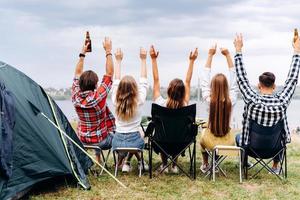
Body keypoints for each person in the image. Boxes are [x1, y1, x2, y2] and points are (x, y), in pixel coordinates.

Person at [234, 33, 300, 174]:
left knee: (238, 137)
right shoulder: (282, 102)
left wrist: (238, 50)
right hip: (274, 148)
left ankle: (244, 163)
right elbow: (292, 79)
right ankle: (275, 166)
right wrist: (297, 51)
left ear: (259, 85)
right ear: (274, 86)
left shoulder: (252, 101)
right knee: (279, 135)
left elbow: (241, 79)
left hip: (252, 147)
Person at [150, 45, 198, 173]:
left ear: (169, 91)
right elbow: (188, 81)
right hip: (181, 143)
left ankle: (165, 164)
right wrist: (192, 61)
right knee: (176, 133)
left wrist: (153, 59)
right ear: (183, 93)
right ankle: (175, 165)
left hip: (162, 142)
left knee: (166, 134)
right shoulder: (186, 105)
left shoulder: (160, 103)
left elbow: (156, 80)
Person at [72, 37, 115, 163]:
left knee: (100, 128)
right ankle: (122, 162)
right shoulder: (98, 97)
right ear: (96, 85)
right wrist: (108, 51)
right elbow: (110, 73)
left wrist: (82, 53)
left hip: (83, 140)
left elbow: (77, 72)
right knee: (118, 136)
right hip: (101, 142)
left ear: (80, 84)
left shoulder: (75, 96)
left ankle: (98, 157)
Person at [199, 44, 238, 173]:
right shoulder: (231, 101)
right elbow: (234, 81)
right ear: (226, 87)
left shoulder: (208, 100)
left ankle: (206, 164)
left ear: (212, 87)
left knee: (203, 133)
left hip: (209, 142)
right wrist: (228, 56)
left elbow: (204, 81)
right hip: (228, 142)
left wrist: (210, 55)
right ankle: (215, 163)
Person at [111, 47, 149, 173]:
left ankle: (127, 162)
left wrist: (118, 60)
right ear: (134, 89)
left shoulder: (115, 101)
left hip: (117, 143)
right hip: (135, 143)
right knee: (140, 132)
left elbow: (116, 81)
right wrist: (143, 60)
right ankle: (138, 161)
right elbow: (143, 82)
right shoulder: (139, 101)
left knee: (134, 132)